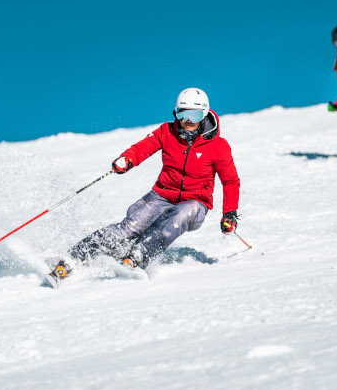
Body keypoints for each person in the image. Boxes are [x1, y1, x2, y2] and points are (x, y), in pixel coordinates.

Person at [51, 87, 240, 280]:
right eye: (183, 114)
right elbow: (143, 147)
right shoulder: (167, 131)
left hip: (195, 203)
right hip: (161, 196)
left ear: (204, 114)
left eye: (195, 115)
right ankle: (75, 257)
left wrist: (230, 213)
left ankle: (138, 255)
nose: (188, 120)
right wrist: (127, 159)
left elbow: (231, 181)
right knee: (129, 228)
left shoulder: (218, 146)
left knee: (180, 215)